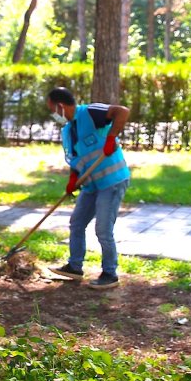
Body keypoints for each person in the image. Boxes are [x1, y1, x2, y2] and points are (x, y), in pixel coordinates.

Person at [46, 87, 131, 289]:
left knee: (102, 229)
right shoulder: (68, 130)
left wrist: (111, 137)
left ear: (61, 106)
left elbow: (122, 111)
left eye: (52, 109)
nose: (52, 114)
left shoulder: (91, 112)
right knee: (76, 223)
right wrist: (73, 179)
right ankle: (74, 267)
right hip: (92, 184)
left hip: (112, 181)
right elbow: (78, 160)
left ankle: (110, 273)